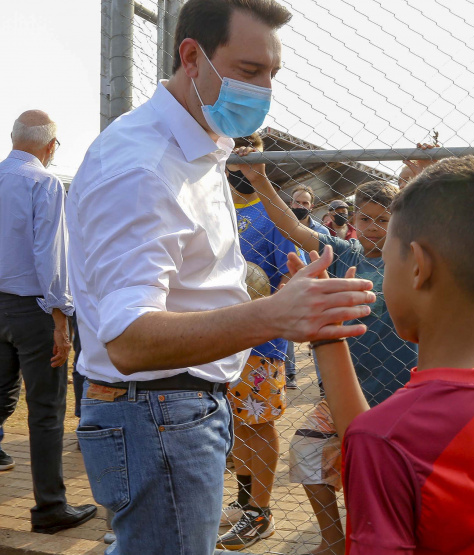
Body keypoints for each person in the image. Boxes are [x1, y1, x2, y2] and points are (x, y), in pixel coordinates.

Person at [66, 2, 376, 553]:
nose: (263, 90)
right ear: (192, 57)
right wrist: (276, 315)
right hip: (158, 410)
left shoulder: (200, 150)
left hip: (174, 409)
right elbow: (128, 338)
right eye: (249, 71)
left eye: (272, 75)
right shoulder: (145, 164)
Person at [309, 155, 474, 553]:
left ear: (418, 268)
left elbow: (381, 441)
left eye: (386, 262)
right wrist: (328, 338)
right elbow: (378, 438)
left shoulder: (387, 439)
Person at [241, 170, 418, 554]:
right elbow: (289, 223)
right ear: (352, 221)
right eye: (366, 219)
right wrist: (259, 179)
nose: (374, 227)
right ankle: (333, 540)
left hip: (403, 391)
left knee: (387, 477)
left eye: (384, 219)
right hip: (346, 390)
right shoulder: (342, 254)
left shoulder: (411, 257)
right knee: (305, 452)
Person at [0, 110, 97, 533]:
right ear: (51, 146)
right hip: (32, 309)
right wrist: (61, 318)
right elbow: (50, 256)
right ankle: (50, 508)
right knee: (45, 410)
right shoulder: (44, 183)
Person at [216, 132, 297, 550]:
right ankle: (246, 502)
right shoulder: (219, 205)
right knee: (239, 426)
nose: (244, 169)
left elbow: (288, 275)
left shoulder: (272, 211)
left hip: (261, 339)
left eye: (254, 160)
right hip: (223, 335)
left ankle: (261, 513)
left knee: (258, 422)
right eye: (237, 159)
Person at [284, 184, 329, 389]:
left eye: (305, 203)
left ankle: (324, 382)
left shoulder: (321, 232)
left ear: (311, 206)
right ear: (290, 203)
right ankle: (290, 373)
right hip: (290, 284)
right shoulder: (281, 227)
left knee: (318, 332)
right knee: (286, 327)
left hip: (315, 286)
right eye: (296, 202)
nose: (300, 205)